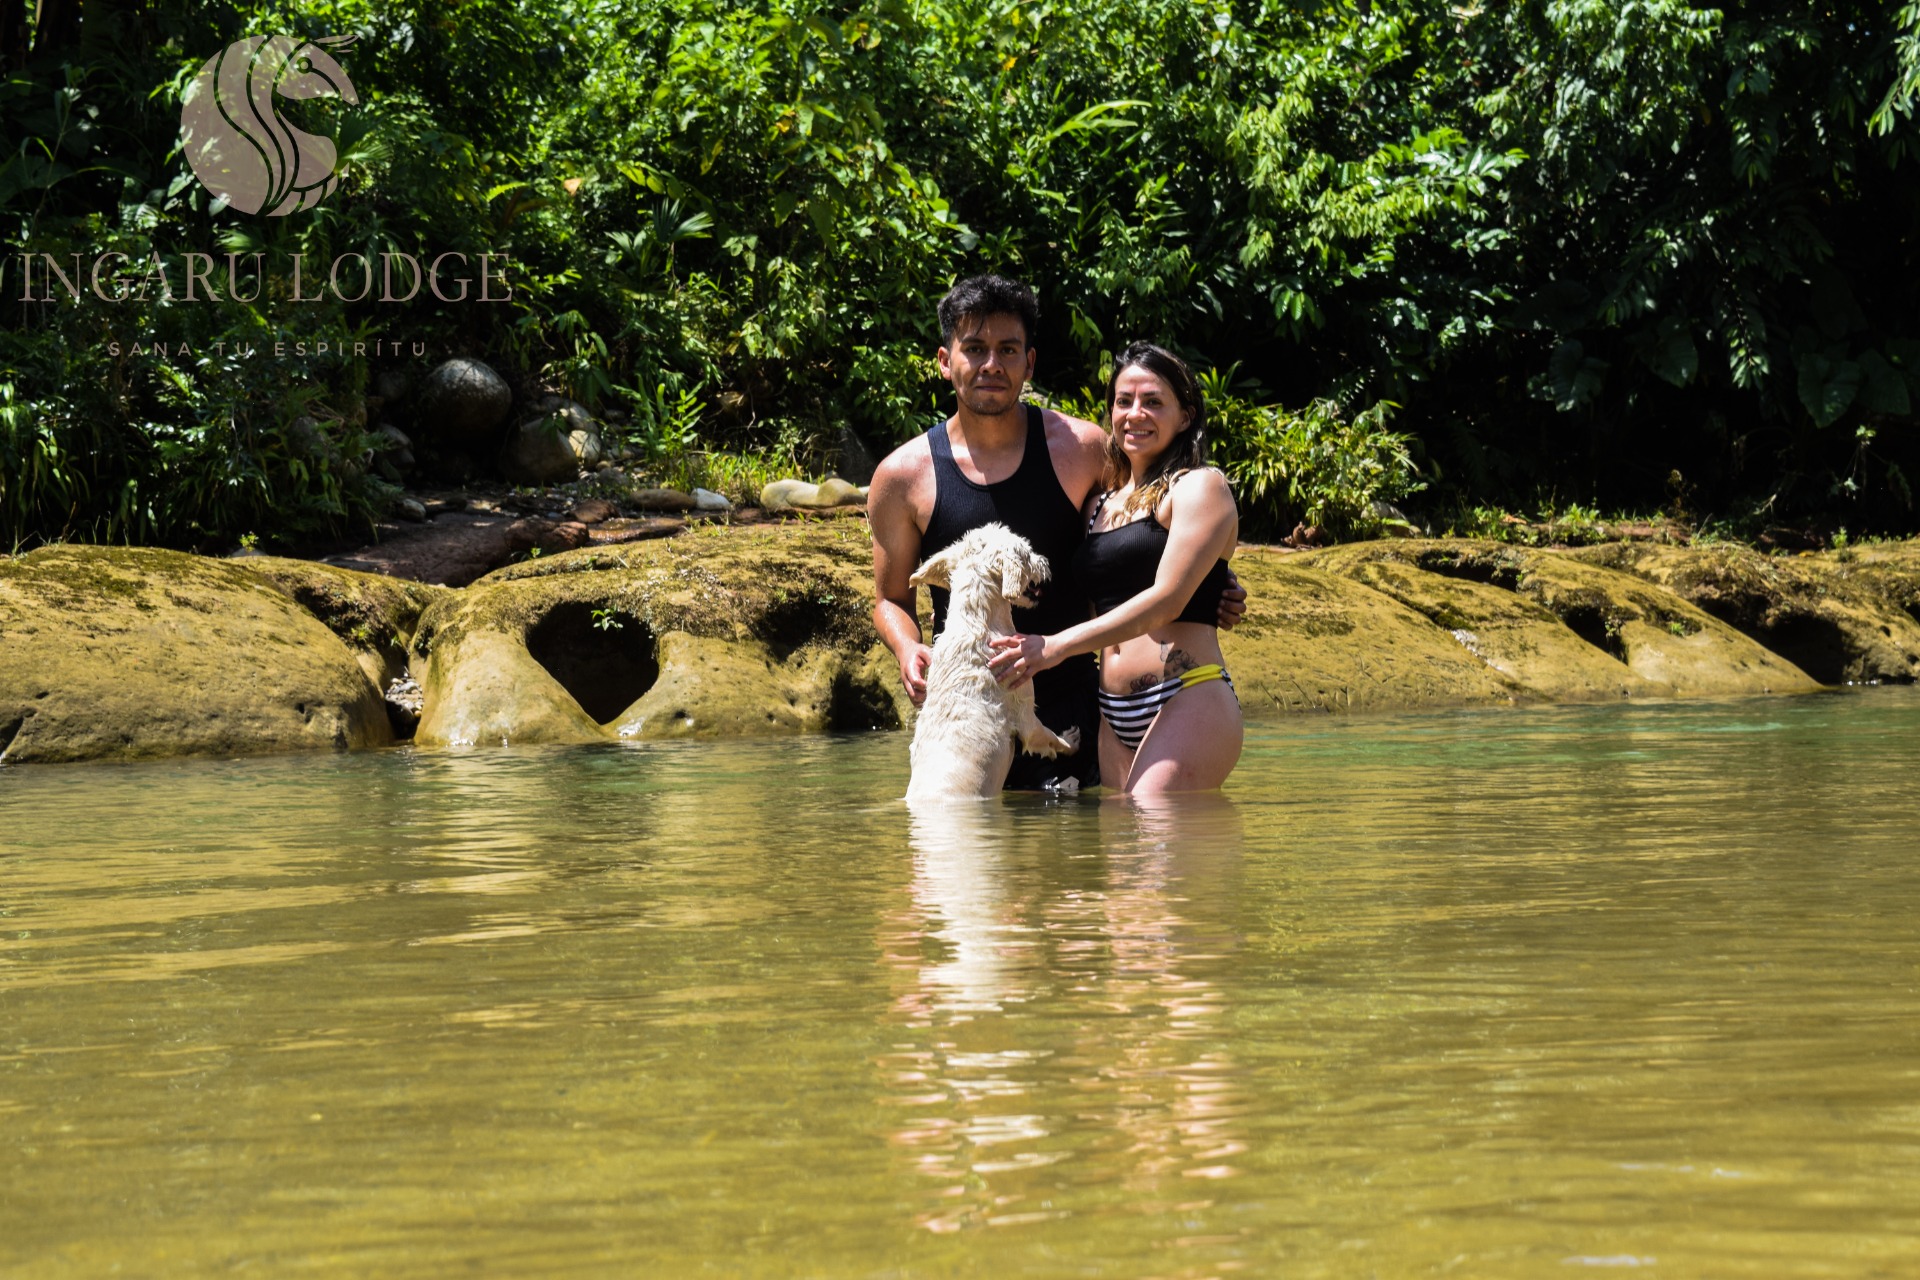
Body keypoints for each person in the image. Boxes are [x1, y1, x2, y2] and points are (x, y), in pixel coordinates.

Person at [868, 276, 1244, 790]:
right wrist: (907, 648)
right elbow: (890, 599)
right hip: (969, 709)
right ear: (944, 360)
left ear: (1030, 363)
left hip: (1080, 704)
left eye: (1008, 350)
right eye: (974, 349)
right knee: (952, 839)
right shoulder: (901, 477)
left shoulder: (1084, 449)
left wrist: (1212, 584)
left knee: (1109, 838)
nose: (991, 365)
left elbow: (1145, 533)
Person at [989, 342, 1243, 795]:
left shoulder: (1200, 487)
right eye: (1124, 401)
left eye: (1154, 402)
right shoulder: (1098, 506)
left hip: (1186, 692)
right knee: (1125, 838)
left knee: (1153, 823)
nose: (1135, 414)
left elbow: (1167, 601)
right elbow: (1090, 599)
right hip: (1112, 710)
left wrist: (1054, 646)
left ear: (1185, 417)